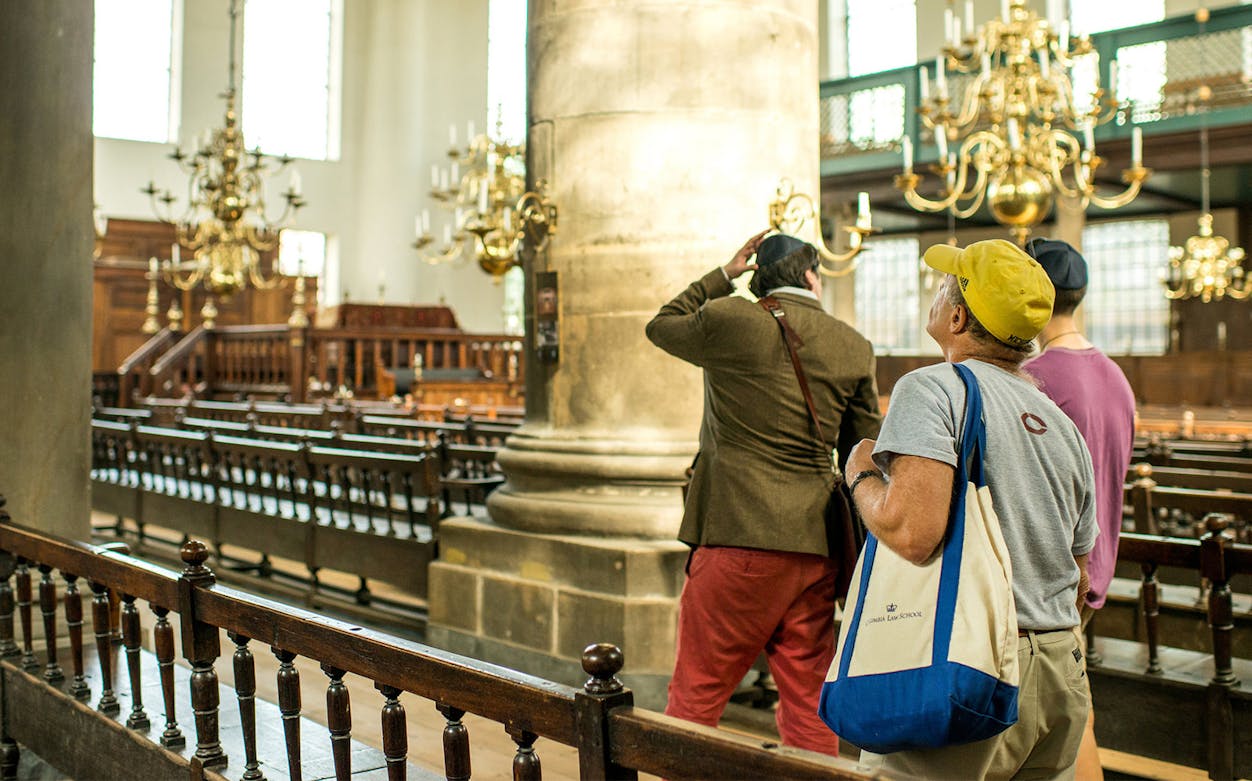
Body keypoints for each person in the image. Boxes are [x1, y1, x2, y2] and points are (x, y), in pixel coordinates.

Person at [843, 238, 1098, 780]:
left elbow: (912, 532)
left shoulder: (932, 389)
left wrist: (862, 473)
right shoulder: (1059, 423)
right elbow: (1080, 573)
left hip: (974, 663)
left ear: (957, 316)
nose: (934, 296)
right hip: (1059, 669)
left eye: (943, 288)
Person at [646, 230, 881, 757]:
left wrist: (723, 274)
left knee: (696, 699)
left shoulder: (728, 319)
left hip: (736, 538)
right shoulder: (852, 345)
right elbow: (865, 449)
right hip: (816, 548)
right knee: (807, 703)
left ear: (758, 277)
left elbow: (660, 325)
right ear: (812, 277)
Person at [1023, 238, 1136, 781]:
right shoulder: (1115, 376)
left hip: (1052, 573)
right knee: (1072, 710)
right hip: (1095, 567)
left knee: (1055, 721)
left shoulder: (1040, 377)